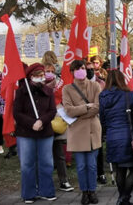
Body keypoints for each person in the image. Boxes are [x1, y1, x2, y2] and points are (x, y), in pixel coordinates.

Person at [99, 70, 133, 205]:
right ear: (122, 79)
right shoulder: (128, 95)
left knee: (120, 169)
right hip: (129, 136)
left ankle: (123, 200)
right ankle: (124, 198)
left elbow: (102, 119)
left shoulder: (102, 96)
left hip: (112, 137)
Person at [13, 63, 57, 203]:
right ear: (30, 76)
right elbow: (17, 113)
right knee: (27, 164)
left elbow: (52, 111)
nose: (41, 78)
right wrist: (32, 123)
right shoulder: (21, 92)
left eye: (42, 75)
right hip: (26, 133)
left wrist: (41, 121)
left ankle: (46, 191)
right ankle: (29, 193)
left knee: (46, 163)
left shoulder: (48, 91)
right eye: (37, 75)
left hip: (45, 133)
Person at [62, 60, 102, 205]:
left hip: (93, 131)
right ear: (72, 72)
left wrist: (78, 113)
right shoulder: (67, 89)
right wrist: (86, 106)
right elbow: (68, 110)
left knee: (91, 165)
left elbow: (98, 107)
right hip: (77, 133)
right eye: (77, 68)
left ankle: (92, 190)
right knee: (81, 166)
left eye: (83, 68)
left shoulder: (95, 85)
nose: (81, 70)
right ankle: (84, 192)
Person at [44, 63, 74, 192]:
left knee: (59, 154)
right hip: (44, 122)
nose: (50, 73)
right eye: (47, 71)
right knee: (45, 156)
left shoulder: (60, 83)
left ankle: (64, 181)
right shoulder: (36, 84)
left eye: (52, 71)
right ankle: (46, 182)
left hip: (57, 120)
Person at [86, 61, 107, 185]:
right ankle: (90, 173)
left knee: (98, 147)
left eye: (91, 69)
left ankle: (101, 172)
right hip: (83, 120)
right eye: (87, 69)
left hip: (98, 119)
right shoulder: (78, 85)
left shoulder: (101, 83)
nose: (89, 71)